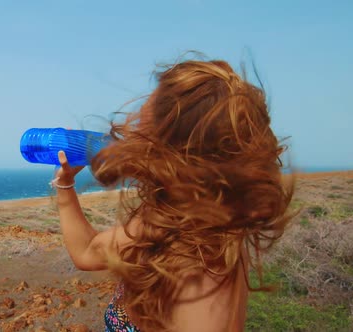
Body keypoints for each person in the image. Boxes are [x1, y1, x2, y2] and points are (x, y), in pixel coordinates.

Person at [51, 59, 294, 331]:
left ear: (172, 151)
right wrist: (65, 186)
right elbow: (87, 252)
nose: (134, 123)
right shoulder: (176, 227)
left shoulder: (202, 269)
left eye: (147, 117)